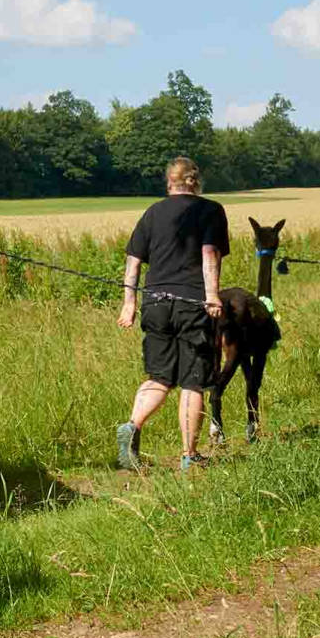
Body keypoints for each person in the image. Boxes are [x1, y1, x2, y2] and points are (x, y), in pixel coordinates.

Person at [116, 157, 227, 471]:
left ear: (170, 183)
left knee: (159, 377)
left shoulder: (152, 213)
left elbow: (133, 261)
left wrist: (129, 303)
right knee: (193, 381)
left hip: (155, 303)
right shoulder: (210, 210)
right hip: (193, 304)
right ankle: (189, 455)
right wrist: (212, 296)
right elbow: (209, 254)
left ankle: (132, 426)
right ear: (195, 181)